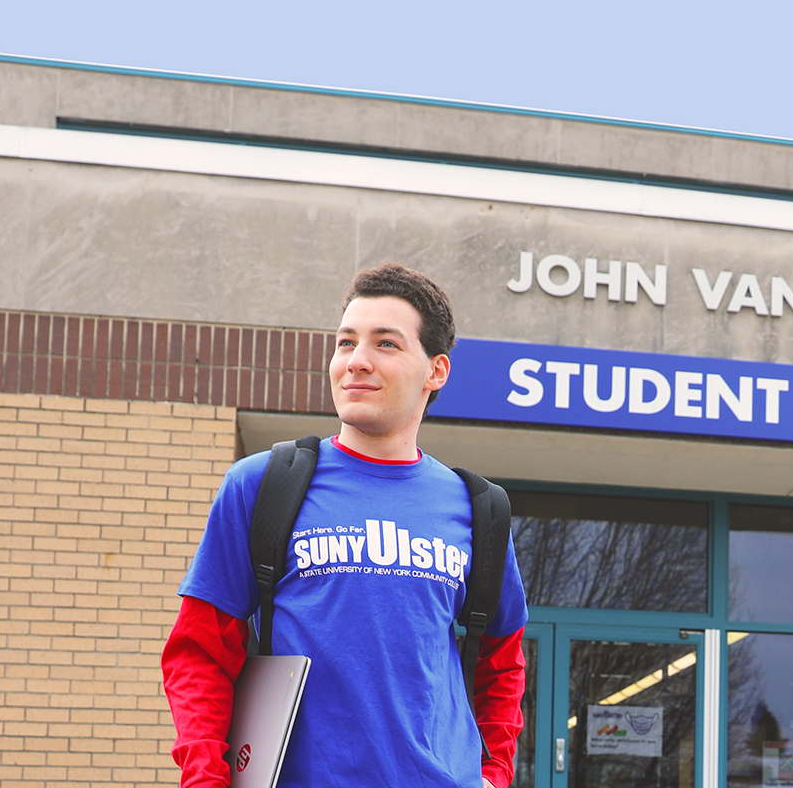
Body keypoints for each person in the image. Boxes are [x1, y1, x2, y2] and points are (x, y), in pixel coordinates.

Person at [162, 263, 529, 788]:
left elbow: (503, 662)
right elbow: (198, 653)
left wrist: (494, 776)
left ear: (436, 371)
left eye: (385, 344)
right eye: (345, 343)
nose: (356, 361)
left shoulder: (479, 510)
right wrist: (206, 780)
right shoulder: (261, 485)